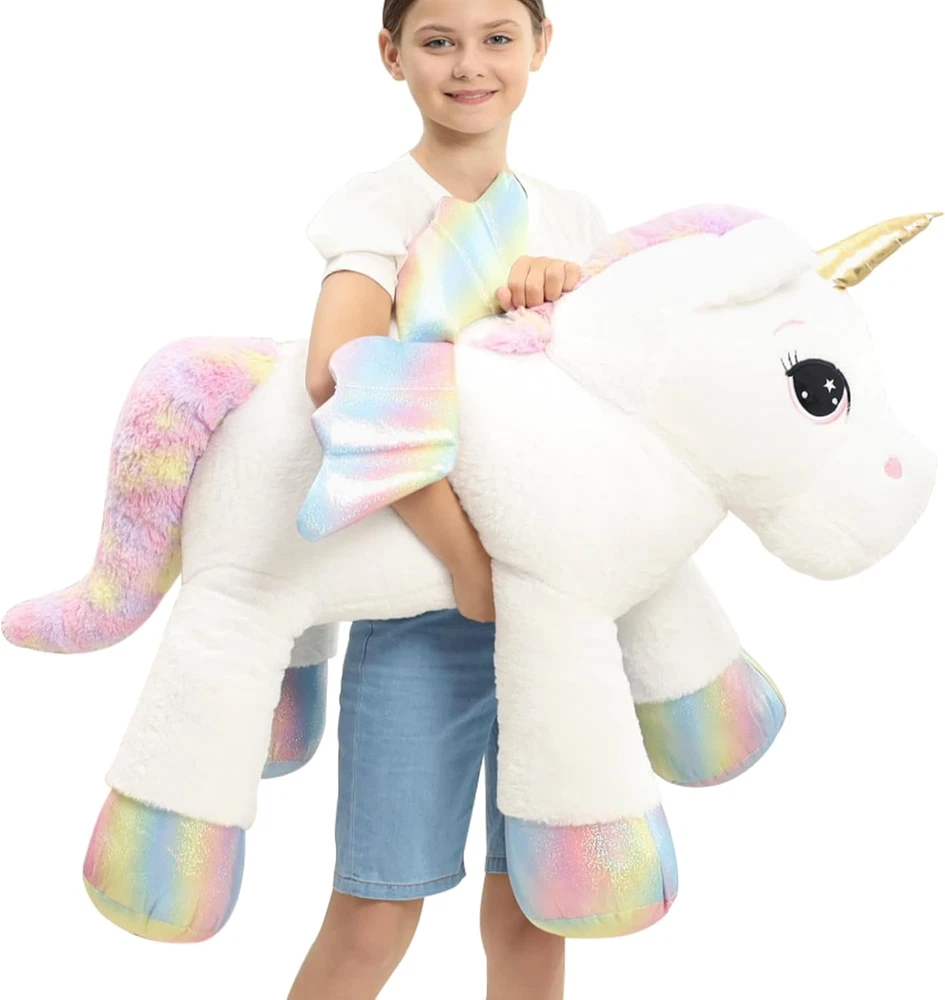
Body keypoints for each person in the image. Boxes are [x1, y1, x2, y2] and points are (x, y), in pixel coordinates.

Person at [291, 2, 609, 997]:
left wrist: (565, 294)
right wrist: (471, 569)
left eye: (497, 37)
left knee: (537, 912)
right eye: (438, 41)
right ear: (392, 54)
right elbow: (341, 379)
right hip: (428, 607)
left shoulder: (572, 219)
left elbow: (609, 402)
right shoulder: (377, 209)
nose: (470, 64)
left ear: (541, 45)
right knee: (375, 911)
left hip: (554, 612)